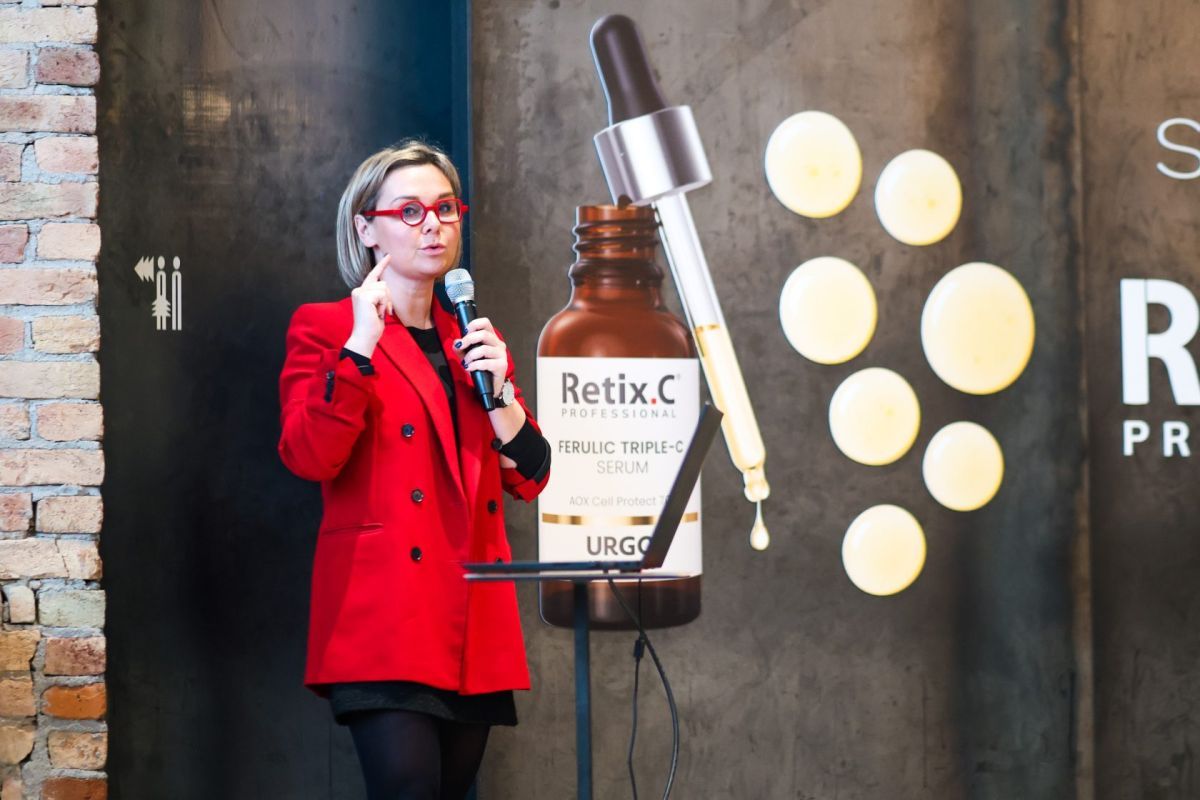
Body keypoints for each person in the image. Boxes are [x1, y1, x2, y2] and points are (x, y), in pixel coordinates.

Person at [277, 140, 551, 799]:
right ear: (366, 228)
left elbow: (531, 475)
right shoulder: (327, 328)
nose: (432, 225)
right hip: (384, 610)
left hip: (472, 611)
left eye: (445, 208)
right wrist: (359, 349)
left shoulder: (475, 339)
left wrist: (502, 395)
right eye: (409, 210)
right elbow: (309, 454)